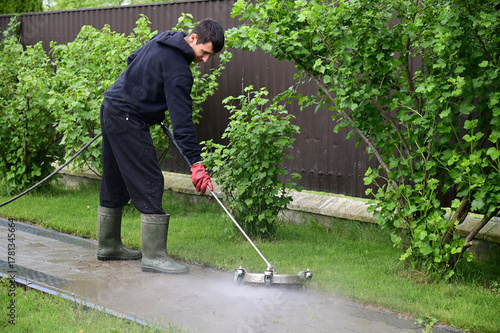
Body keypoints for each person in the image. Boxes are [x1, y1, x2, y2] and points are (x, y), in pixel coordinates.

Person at [96, 18, 224, 274]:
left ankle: (108, 246)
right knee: (150, 180)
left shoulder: (164, 37)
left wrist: (148, 102)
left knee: (115, 178)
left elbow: (133, 59)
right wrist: (196, 163)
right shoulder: (179, 71)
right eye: (205, 53)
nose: (205, 61)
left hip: (111, 107)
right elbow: (182, 121)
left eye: (211, 56)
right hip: (128, 118)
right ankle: (155, 257)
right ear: (194, 39)